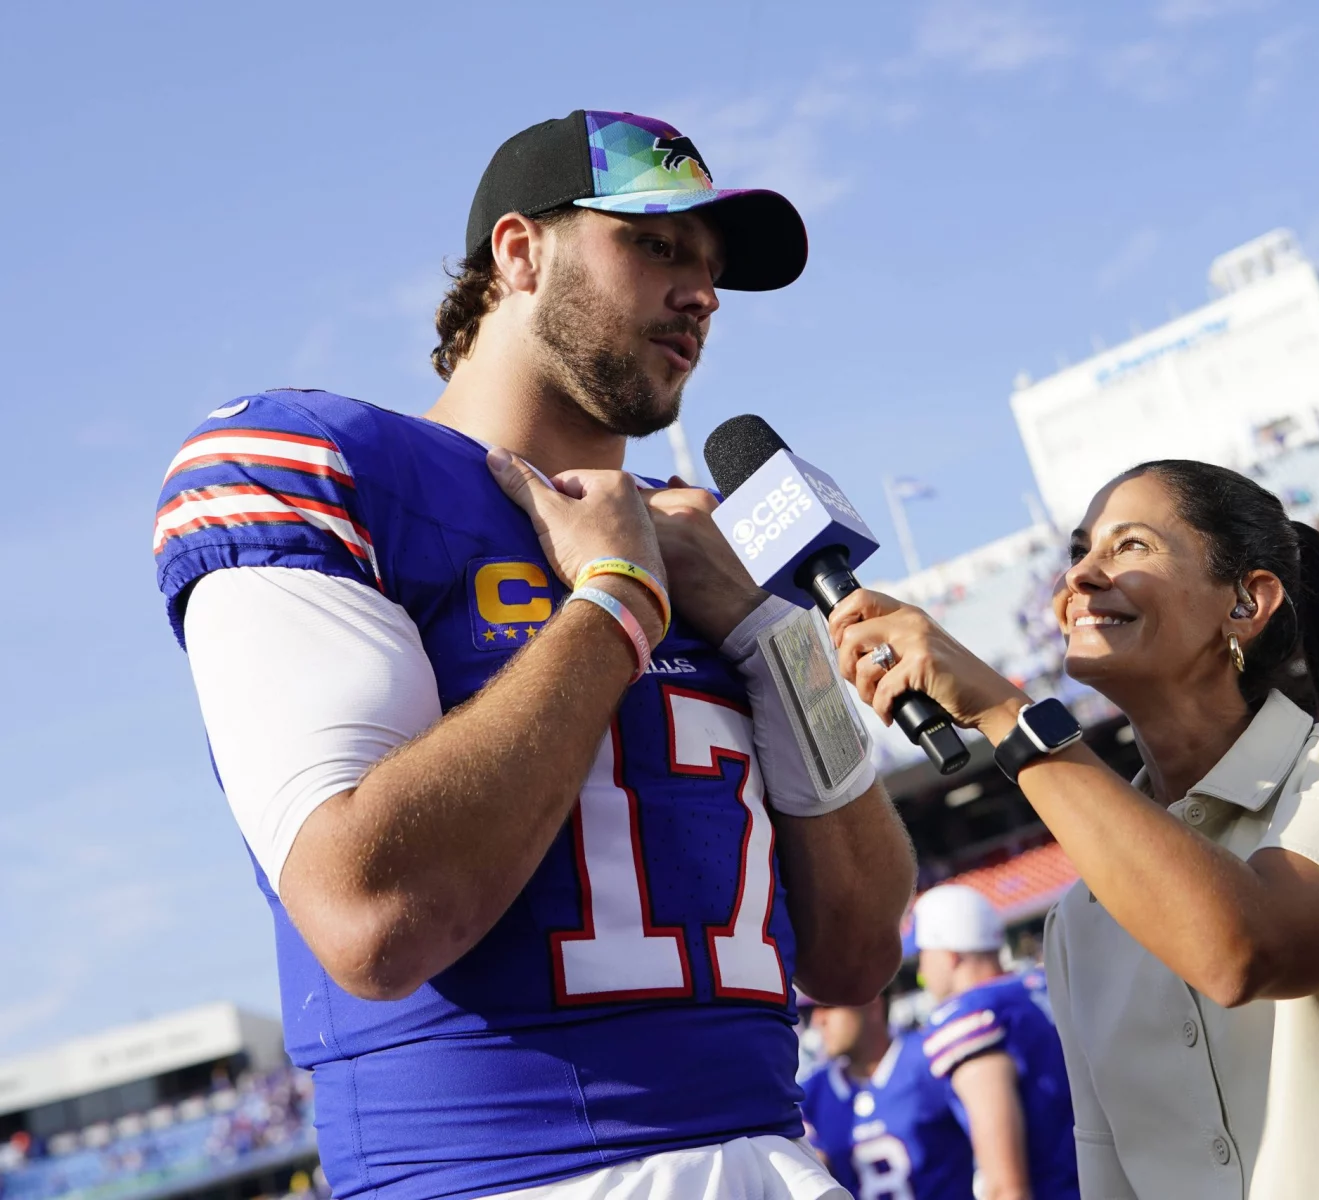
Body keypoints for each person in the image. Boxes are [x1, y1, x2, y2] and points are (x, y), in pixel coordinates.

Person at [151, 109, 916, 1200]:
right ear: (519, 252)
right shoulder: (322, 463)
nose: (700, 293)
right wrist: (613, 604)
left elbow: (855, 953)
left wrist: (773, 635)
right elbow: (373, 913)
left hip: (777, 1156)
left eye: (711, 270)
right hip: (505, 1175)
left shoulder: (707, 544)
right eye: (655, 245)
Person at [824, 459, 1319, 1198]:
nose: (1080, 576)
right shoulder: (1081, 923)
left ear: (1247, 601)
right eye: (1079, 552)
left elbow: (1248, 949)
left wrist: (1006, 715)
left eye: (1129, 546)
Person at [911, 885, 1078, 1200]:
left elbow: (1007, 1186)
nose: (921, 971)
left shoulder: (970, 1016)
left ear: (949, 956)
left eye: (923, 957)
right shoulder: (1042, 986)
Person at [801, 994, 973, 1199]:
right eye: (813, 1010)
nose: (818, 1020)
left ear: (872, 1003)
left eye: (828, 1005)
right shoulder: (812, 1093)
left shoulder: (930, 1060)